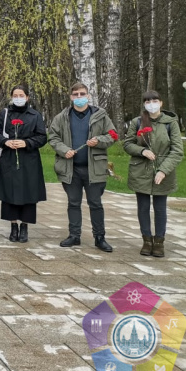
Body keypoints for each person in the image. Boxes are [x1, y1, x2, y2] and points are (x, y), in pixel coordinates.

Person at [48, 82, 116, 252]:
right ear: (71, 97)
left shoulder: (100, 116)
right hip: (71, 169)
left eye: (82, 94)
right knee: (73, 203)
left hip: (95, 168)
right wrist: (64, 150)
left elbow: (113, 135)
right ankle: (74, 235)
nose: (79, 97)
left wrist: (99, 140)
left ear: (88, 95)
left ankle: (99, 237)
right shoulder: (61, 117)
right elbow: (53, 137)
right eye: (76, 94)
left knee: (96, 203)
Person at [123, 90, 184, 258]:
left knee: (160, 207)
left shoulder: (170, 123)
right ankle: (146, 240)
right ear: (144, 104)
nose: (151, 104)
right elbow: (127, 144)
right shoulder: (137, 122)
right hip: (141, 170)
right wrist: (142, 151)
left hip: (163, 170)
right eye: (148, 101)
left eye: (155, 101)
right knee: (143, 207)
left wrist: (163, 170)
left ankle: (159, 242)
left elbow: (177, 151)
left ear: (161, 103)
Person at [0, 85, 47, 243]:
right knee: (9, 192)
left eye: (21, 95)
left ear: (27, 97)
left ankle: (24, 227)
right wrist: (5, 142)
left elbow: (42, 137)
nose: (18, 98)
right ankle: (13, 226)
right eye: (15, 95)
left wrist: (26, 143)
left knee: (28, 192)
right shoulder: (4, 114)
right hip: (9, 158)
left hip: (29, 159)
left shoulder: (35, 115)